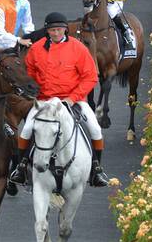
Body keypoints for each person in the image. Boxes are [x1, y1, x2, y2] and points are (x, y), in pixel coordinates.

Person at [10, 12, 109, 193]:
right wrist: (34, 93)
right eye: (52, 30)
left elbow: (90, 77)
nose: (55, 33)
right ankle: (22, 167)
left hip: (73, 100)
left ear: (65, 30)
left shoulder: (78, 48)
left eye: (58, 30)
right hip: (44, 100)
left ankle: (96, 169)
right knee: (25, 129)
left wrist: (72, 98)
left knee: (95, 128)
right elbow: (30, 74)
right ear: (47, 30)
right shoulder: (36, 48)